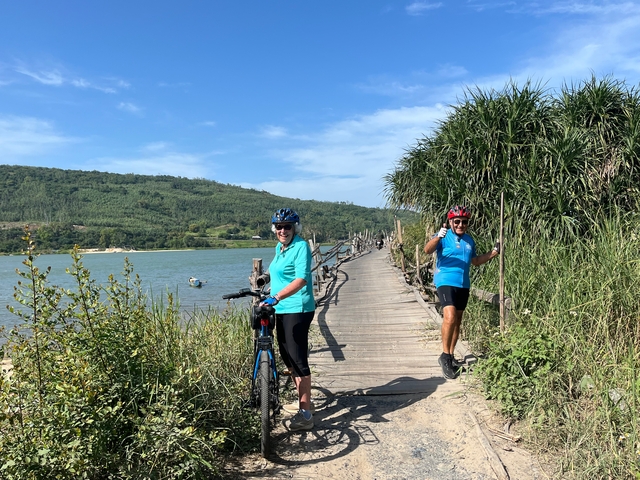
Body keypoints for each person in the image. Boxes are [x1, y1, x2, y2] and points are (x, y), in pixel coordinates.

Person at [423, 205, 499, 379]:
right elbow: (428, 250)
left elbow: (476, 261)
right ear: (450, 222)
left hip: (463, 284)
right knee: (449, 317)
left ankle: (450, 356)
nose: (460, 225)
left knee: (457, 321)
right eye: (456, 221)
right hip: (445, 281)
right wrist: (438, 237)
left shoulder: (469, 241)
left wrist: (494, 253)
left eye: (464, 222)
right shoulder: (443, 236)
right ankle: (444, 356)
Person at [260, 208, 316, 431]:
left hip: (298, 308)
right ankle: (302, 402)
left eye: (287, 226)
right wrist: (267, 289)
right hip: (281, 308)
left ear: (295, 228)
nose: (283, 230)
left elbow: (301, 279)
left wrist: (277, 296)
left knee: (298, 359)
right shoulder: (280, 247)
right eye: (279, 226)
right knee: (288, 358)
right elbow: (280, 276)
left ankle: (306, 414)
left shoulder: (301, 246)